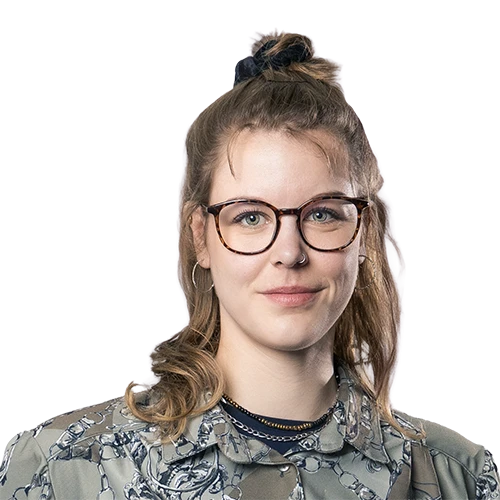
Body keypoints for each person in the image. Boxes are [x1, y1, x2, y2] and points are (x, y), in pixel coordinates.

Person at [1, 30, 498, 500]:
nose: (289, 252)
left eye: (322, 214)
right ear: (201, 237)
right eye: (251, 217)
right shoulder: (65, 470)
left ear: (364, 232)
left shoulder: (458, 478)